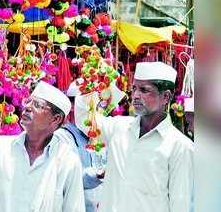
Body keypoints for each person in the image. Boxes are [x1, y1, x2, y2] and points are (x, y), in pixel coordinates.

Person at [75, 62, 194, 212]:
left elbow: (180, 204)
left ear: (166, 97)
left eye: (144, 90)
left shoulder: (180, 146)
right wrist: (98, 88)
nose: (136, 95)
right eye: (134, 88)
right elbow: (84, 119)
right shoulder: (119, 127)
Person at [0, 81, 85, 212]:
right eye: (28, 102)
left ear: (56, 119)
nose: (28, 107)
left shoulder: (67, 161)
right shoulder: (0, 147)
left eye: (37, 105)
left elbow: (74, 208)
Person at [54, 79, 105, 212]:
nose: (95, 112)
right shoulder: (61, 137)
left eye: (97, 105)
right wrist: (99, 174)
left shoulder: (101, 134)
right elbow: (68, 180)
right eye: (88, 106)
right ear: (72, 107)